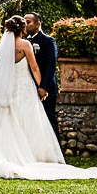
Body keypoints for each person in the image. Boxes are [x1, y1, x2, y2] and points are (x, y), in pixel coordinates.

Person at [0, 15, 97, 180]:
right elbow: (35, 68)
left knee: (7, 121)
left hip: (10, 90)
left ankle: (4, 153)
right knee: (30, 121)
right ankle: (32, 155)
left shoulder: (4, 46)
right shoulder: (25, 44)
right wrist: (41, 87)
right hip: (25, 89)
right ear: (22, 28)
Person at [25, 12, 60, 141]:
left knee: (49, 119)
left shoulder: (48, 41)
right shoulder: (25, 42)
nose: (25, 24)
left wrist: (43, 87)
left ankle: (57, 152)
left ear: (37, 24)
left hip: (46, 88)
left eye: (28, 22)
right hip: (29, 87)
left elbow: (51, 65)